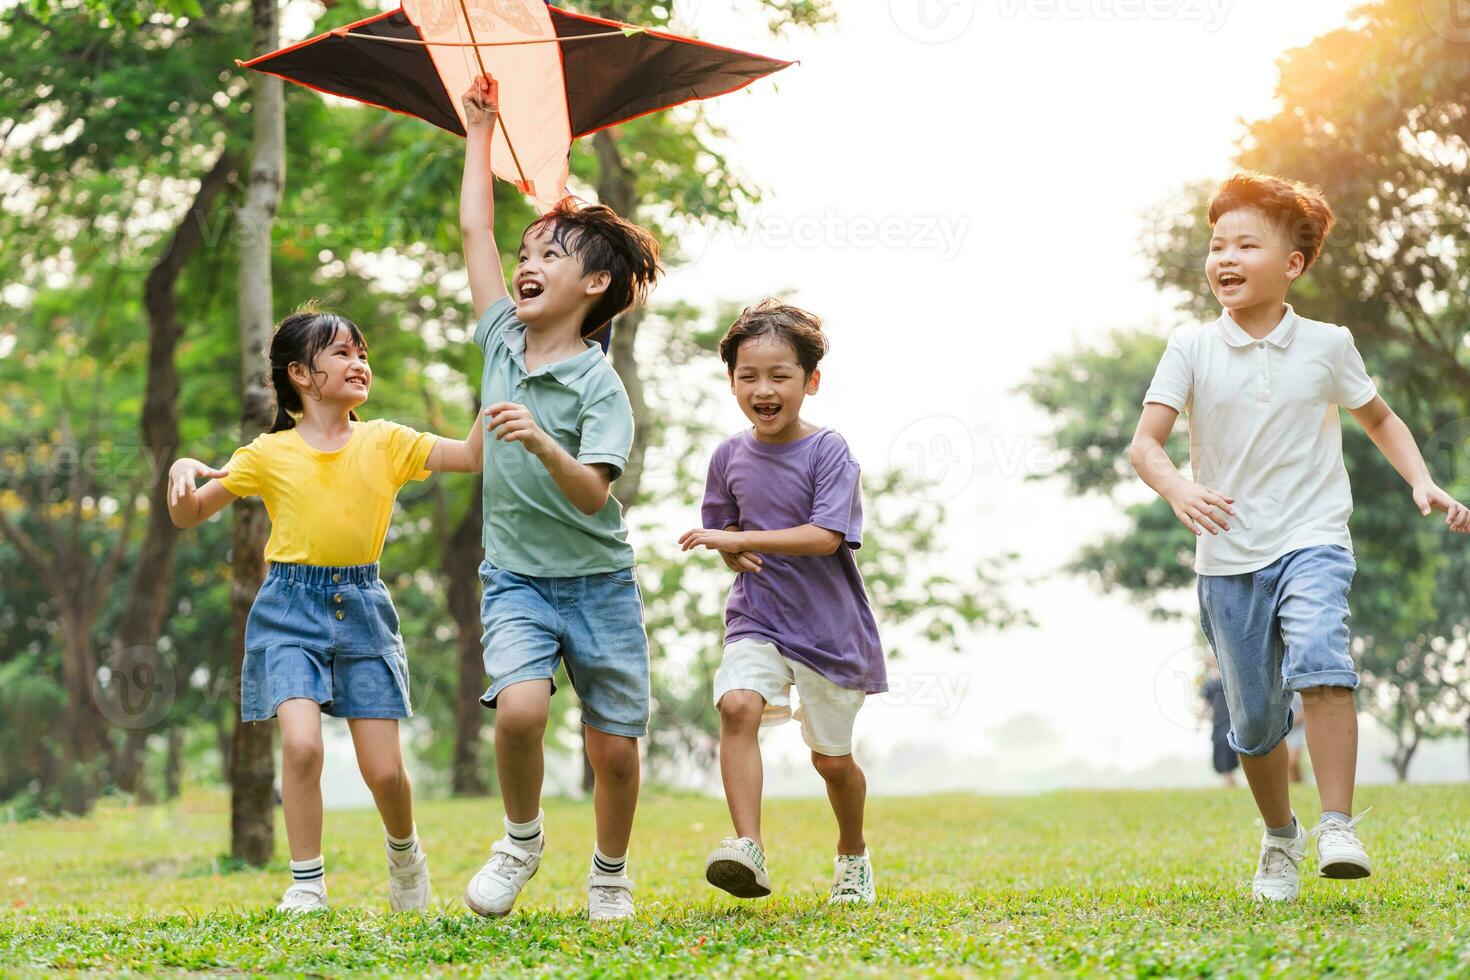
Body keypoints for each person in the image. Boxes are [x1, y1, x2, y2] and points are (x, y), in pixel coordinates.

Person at [1129, 172, 1470, 902]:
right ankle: (1280, 835)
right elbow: (1145, 445)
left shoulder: (1327, 344)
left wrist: (1421, 479)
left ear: (1292, 264)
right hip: (1227, 556)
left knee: (1322, 658)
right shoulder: (1189, 346)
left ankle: (1338, 825)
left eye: (1246, 244)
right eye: (1217, 244)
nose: (1225, 257)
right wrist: (1179, 488)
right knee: (1253, 721)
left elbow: (1378, 417)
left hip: (1312, 536)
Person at [167, 306, 485, 912]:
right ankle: (307, 883)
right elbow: (188, 513)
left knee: (385, 774)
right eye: (341, 352)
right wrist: (179, 471)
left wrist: (504, 370)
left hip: (363, 607)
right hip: (288, 610)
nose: (358, 362)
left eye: (361, 352)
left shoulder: (388, 440)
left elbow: (471, 456)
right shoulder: (267, 453)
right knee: (303, 746)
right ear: (301, 374)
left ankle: (404, 856)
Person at [455, 74, 662, 924]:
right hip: (516, 579)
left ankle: (609, 872)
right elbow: (475, 228)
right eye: (528, 252)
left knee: (614, 750)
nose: (527, 264)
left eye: (551, 255)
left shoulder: (596, 386)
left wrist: (542, 442)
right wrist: (479, 130)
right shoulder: (502, 334)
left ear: (596, 288)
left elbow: (589, 497)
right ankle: (521, 838)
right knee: (520, 712)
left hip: (598, 581)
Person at [679, 300, 888, 906]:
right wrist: (728, 550)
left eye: (780, 376)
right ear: (732, 382)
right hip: (757, 617)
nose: (763, 389)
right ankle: (749, 848)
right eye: (749, 377)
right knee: (737, 705)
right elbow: (723, 526)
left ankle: (853, 855)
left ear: (810, 381)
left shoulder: (829, 452)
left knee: (832, 763)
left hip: (829, 631)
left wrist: (738, 539)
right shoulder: (727, 456)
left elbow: (825, 537)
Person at [1201, 657, 1238, 787]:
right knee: (1219, 751)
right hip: (1217, 723)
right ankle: (1229, 782)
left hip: (1230, 721)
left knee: (1227, 749)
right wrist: (1199, 720)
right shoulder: (1208, 682)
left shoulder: (1228, 677)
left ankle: (1228, 782)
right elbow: (1206, 704)